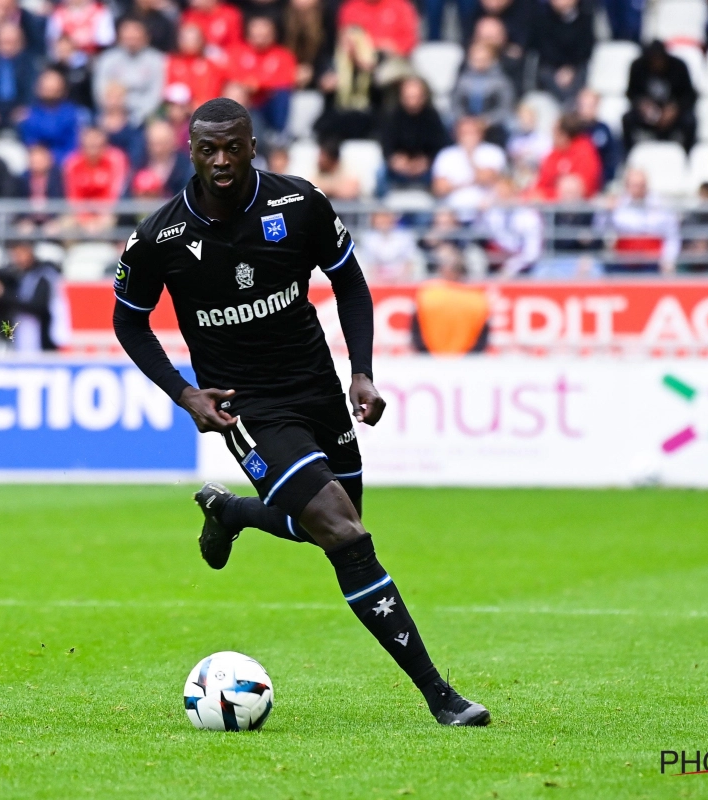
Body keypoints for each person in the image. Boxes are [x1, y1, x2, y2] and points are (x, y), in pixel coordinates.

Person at [111, 98, 490, 727]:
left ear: (253, 145)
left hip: (316, 390)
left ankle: (231, 511)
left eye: (234, 146)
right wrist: (185, 394)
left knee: (337, 526)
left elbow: (351, 283)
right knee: (346, 534)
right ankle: (439, 695)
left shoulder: (299, 203)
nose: (223, 160)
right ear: (191, 152)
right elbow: (129, 321)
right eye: (209, 149)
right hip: (248, 407)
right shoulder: (159, 237)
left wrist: (360, 372)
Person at [0, 238, 71, 352]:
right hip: (16, 336)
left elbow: (38, 306)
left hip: (42, 337)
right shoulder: (13, 273)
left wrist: (3, 295)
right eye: (15, 254)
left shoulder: (44, 275)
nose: (18, 258)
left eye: (21, 253)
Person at [622, 41, 697, 154]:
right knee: (627, 119)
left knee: (690, 121)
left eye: (659, 59)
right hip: (647, 114)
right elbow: (631, 93)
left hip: (673, 114)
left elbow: (690, 95)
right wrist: (641, 105)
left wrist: (675, 109)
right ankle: (630, 156)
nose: (657, 63)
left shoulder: (679, 66)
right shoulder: (637, 66)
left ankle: (687, 156)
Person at [227, 16, 298, 133]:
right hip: (246, 101)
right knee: (233, 91)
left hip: (268, 103)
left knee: (282, 95)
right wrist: (247, 85)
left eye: (264, 36)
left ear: (273, 35)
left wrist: (259, 85)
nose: (260, 40)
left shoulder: (283, 55)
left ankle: (278, 136)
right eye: (256, 36)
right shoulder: (237, 52)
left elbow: (286, 80)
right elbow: (231, 75)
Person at [93, 17, 167, 127]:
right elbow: (99, 91)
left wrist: (135, 116)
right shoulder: (107, 59)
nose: (131, 42)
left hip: (144, 116)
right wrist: (114, 113)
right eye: (128, 38)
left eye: (135, 38)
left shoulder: (157, 60)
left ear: (145, 37)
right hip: (111, 114)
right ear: (119, 37)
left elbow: (156, 95)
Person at [380, 76, 449, 190]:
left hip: (425, 166)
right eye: (408, 97)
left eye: (415, 97)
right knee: (381, 173)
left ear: (423, 97)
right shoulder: (392, 116)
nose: (412, 101)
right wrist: (394, 159)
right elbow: (386, 143)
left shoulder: (432, 117)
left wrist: (427, 161)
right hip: (399, 165)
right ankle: (383, 206)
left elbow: (440, 145)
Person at [605, 167, 679, 273]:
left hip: (652, 264)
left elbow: (672, 235)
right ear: (627, 186)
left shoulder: (660, 205)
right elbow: (603, 229)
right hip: (623, 262)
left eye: (641, 185)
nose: (638, 189)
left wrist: (668, 260)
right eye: (634, 185)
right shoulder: (618, 204)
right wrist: (607, 212)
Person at [411, 253, 490, 352]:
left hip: (432, 359)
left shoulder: (427, 295)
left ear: (444, 271)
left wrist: (426, 355)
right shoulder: (477, 298)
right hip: (466, 361)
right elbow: (482, 335)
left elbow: (416, 331)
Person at [431, 115, 506, 219]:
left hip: (484, 211)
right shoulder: (446, 155)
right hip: (454, 212)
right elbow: (440, 188)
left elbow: (486, 178)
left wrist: (470, 157)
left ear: (480, 133)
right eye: (464, 133)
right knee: (442, 217)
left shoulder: (493, 152)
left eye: (472, 132)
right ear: (457, 134)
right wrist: (470, 182)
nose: (469, 137)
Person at [62, 125, 128, 232]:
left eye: (97, 142)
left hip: (107, 214)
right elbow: (73, 197)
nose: (93, 144)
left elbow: (114, 195)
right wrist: (85, 220)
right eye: (89, 143)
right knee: (65, 223)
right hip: (80, 215)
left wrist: (99, 220)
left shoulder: (116, 159)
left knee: (111, 220)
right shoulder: (72, 163)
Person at [528, 0, 594, 104]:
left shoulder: (586, 18)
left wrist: (570, 68)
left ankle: (572, 106)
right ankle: (567, 106)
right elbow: (544, 47)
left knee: (583, 71)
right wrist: (560, 68)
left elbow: (586, 47)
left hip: (577, 65)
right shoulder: (542, 19)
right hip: (552, 66)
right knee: (545, 73)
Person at [17, 69, 86, 164]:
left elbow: (73, 145)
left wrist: (55, 158)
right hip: (38, 162)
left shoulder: (71, 113)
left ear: (62, 90)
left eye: (53, 89)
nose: (50, 92)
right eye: (46, 89)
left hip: (66, 161)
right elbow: (31, 143)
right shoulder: (30, 113)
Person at [451, 42, 515, 140]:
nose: (479, 63)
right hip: (466, 121)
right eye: (476, 60)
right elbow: (455, 103)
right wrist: (463, 119)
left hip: (492, 124)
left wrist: (488, 121)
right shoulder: (462, 80)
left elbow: (505, 107)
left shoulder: (501, 81)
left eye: (483, 60)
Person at [532, 111, 602, 200]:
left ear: (564, 135)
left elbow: (586, 187)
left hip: (579, 209)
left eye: (555, 132)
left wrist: (550, 195)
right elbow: (542, 183)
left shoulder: (585, 151)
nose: (552, 137)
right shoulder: (554, 154)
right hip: (551, 207)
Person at [481, 176, 542, 276]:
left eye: (507, 194)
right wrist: (481, 213)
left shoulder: (529, 216)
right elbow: (479, 234)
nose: (503, 198)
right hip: (496, 262)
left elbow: (532, 253)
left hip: (522, 267)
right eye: (500, 194)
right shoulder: (492, 214)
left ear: (515, 194)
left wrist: (511, 267)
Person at [129, 117, 194, 199]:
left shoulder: (185, 167)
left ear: (173, 143)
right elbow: (128, 195)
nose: (158, 149)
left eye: (162, 144)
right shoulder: (140, 163)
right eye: (153, 144)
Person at [166, 23, 227, 109]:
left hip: (203, 112)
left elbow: (212, 92)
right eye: (185, 39)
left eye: (194, 39)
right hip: (176, 111)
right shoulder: (172, 62)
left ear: (202, 40)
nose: (189, 42)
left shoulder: (211, 65)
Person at [336, 0, 420, 60]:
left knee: (411, 83)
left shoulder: (401, 5)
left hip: (393, 61)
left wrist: (395, 48)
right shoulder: (350, 8)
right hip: (359, 61)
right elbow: (345, 40)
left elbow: (410, 40)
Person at [356, 210, 419, 282]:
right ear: (374, 222)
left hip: (400, 275)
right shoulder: (367, 238)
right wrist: (378, 279)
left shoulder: (405, 236)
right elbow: (369, 262)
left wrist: (400, 278)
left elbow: (409, 260)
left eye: (386, 219)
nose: (383, 223)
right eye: (380, 220)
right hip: (376, 277)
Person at [575, 88, 619, 182]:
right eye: (584, 105)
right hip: (576, 179)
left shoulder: (603, 129)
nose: (587, 109)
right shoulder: (573, 129)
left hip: (598, 179)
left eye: (591, 105)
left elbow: (611, 157)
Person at [47, 0, 115, 57]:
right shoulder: (58, 13)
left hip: (94, 58)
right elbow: (53, 42)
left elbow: (106, 41)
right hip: (66, 60)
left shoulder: (100, 10)